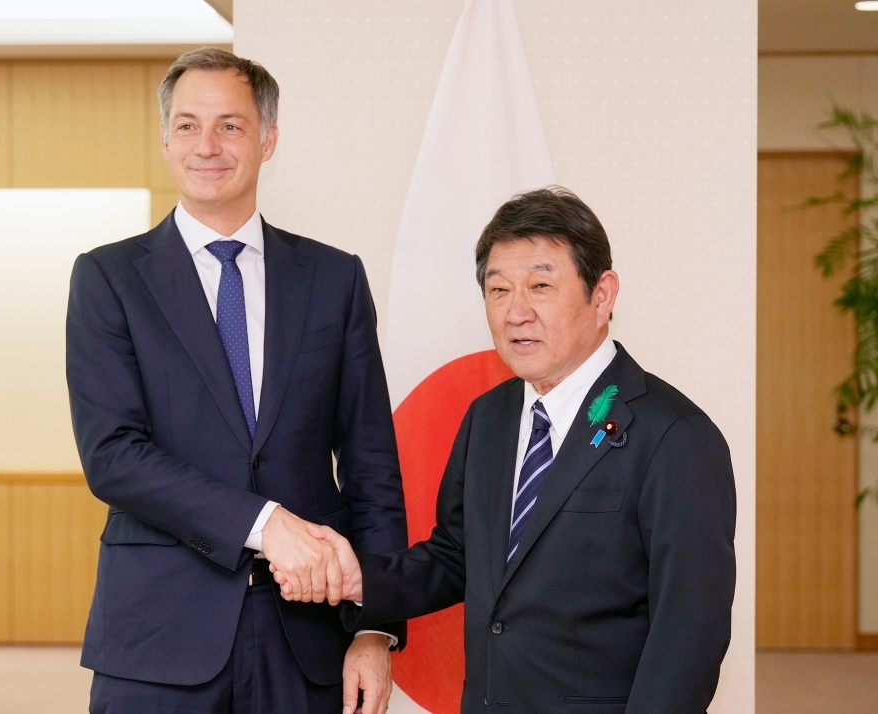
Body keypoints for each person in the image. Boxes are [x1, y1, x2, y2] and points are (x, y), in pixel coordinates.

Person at [278, 187, 737, 713]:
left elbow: (689, 634)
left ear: (602, 294)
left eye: (541, 285)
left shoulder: (674, 435)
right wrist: (360, 579)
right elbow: (458, 557)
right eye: (498, 291)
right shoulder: (489, 418)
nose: (516, 312)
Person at [66, 47, 406, 714]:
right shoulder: (109, 279)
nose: (208, 145)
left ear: (267, 139)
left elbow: (372, 466)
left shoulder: (334, 280)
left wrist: (375, 626)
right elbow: (112, 456)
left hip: (308, 639)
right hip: (159, 637)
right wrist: (265, 523)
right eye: (188, 125)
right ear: (165, 140)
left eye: (231, 125)